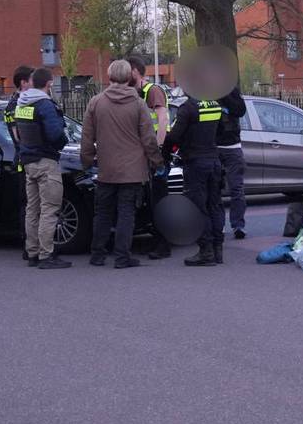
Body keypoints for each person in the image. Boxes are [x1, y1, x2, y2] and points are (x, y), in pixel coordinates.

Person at [81, 60, 163, 269]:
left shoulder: (96, 102)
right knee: (127, 213)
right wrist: (156, 161)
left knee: (103, 212)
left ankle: (97, 254)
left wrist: (87, 161)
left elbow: (87, 137)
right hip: (133, 170)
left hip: (106, 169)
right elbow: (148, 138)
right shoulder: (138, 104)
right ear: (129, 77)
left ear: (109, 77)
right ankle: (122, 256)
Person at [13, 68, 70, 269]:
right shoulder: (44, 104)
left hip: (29, 161)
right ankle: (47, 255)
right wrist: (63, 143)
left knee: (32, 209)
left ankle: (33, 252)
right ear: (49, 84)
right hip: (46, 161)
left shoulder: (22, 103)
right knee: (49, 209)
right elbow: (56, 134)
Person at [163, 94, 226, 266]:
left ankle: (206, 252)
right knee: (214, 205)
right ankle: (218, 249)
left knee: (198, 208)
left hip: (196, 162)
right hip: (214, 161)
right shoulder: (214, 104)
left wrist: (164, 154)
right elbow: (222, 131)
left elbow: (174, 137)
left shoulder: (188, 108)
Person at [128, 56, 172, 259]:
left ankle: (164, 244)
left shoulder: (152, 91)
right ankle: (156, 241)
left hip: (157, 153)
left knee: (159, 199)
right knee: (150, 199)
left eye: (127, 71)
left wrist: (158, 150)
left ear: (135, 72)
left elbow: (162, 120)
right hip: (146, 153)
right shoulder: (136, 93)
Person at [3, 65, 34, 260]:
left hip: (25, 159)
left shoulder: (17, 103)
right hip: (25, 161)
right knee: (29, 205)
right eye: (32, 80)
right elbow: (20, 137)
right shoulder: (16, 105)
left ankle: (30, 245)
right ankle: (28, 245)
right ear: (23, 82)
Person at [217, 86, 248, 239]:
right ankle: (219, 225)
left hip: (232, 146)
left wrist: (224, 93)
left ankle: (238, 225)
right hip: (214, 146)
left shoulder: (231, 90)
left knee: (236, 188)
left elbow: (240, 110)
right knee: (215, 189)